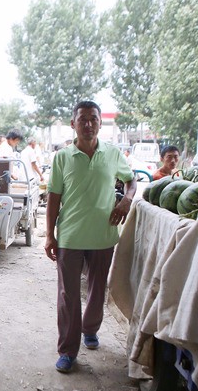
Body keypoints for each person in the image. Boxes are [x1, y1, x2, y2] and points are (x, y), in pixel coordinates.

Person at [44, 100, 135, 374]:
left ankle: (91, 329)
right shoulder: (62, 157)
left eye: (93, 119)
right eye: (82, 119)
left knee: (97, 289)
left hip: (103, 235)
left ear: (100, 123)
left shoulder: (112, 153)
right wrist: (50, 235)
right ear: (73, 124)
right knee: (68, 295)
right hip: (70, 236)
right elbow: (53, 198)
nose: (88, 124)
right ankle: (67, 351)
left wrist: (127, 200)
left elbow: (131, 181)